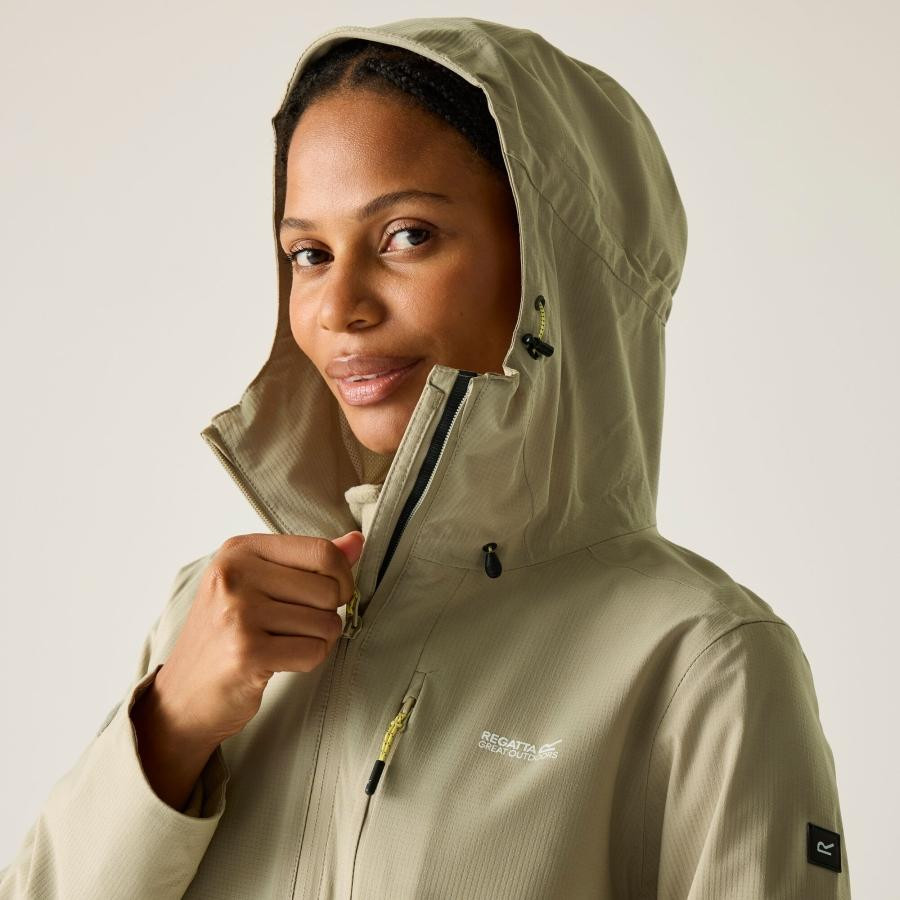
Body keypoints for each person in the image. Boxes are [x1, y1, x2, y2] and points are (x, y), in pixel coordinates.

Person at [0, 16, 851, 899]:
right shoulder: (214, 616)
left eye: (407, 235)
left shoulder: (701, 665)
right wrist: (171, 722)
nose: (338, 306)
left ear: (553, 271)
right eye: (308, 253)